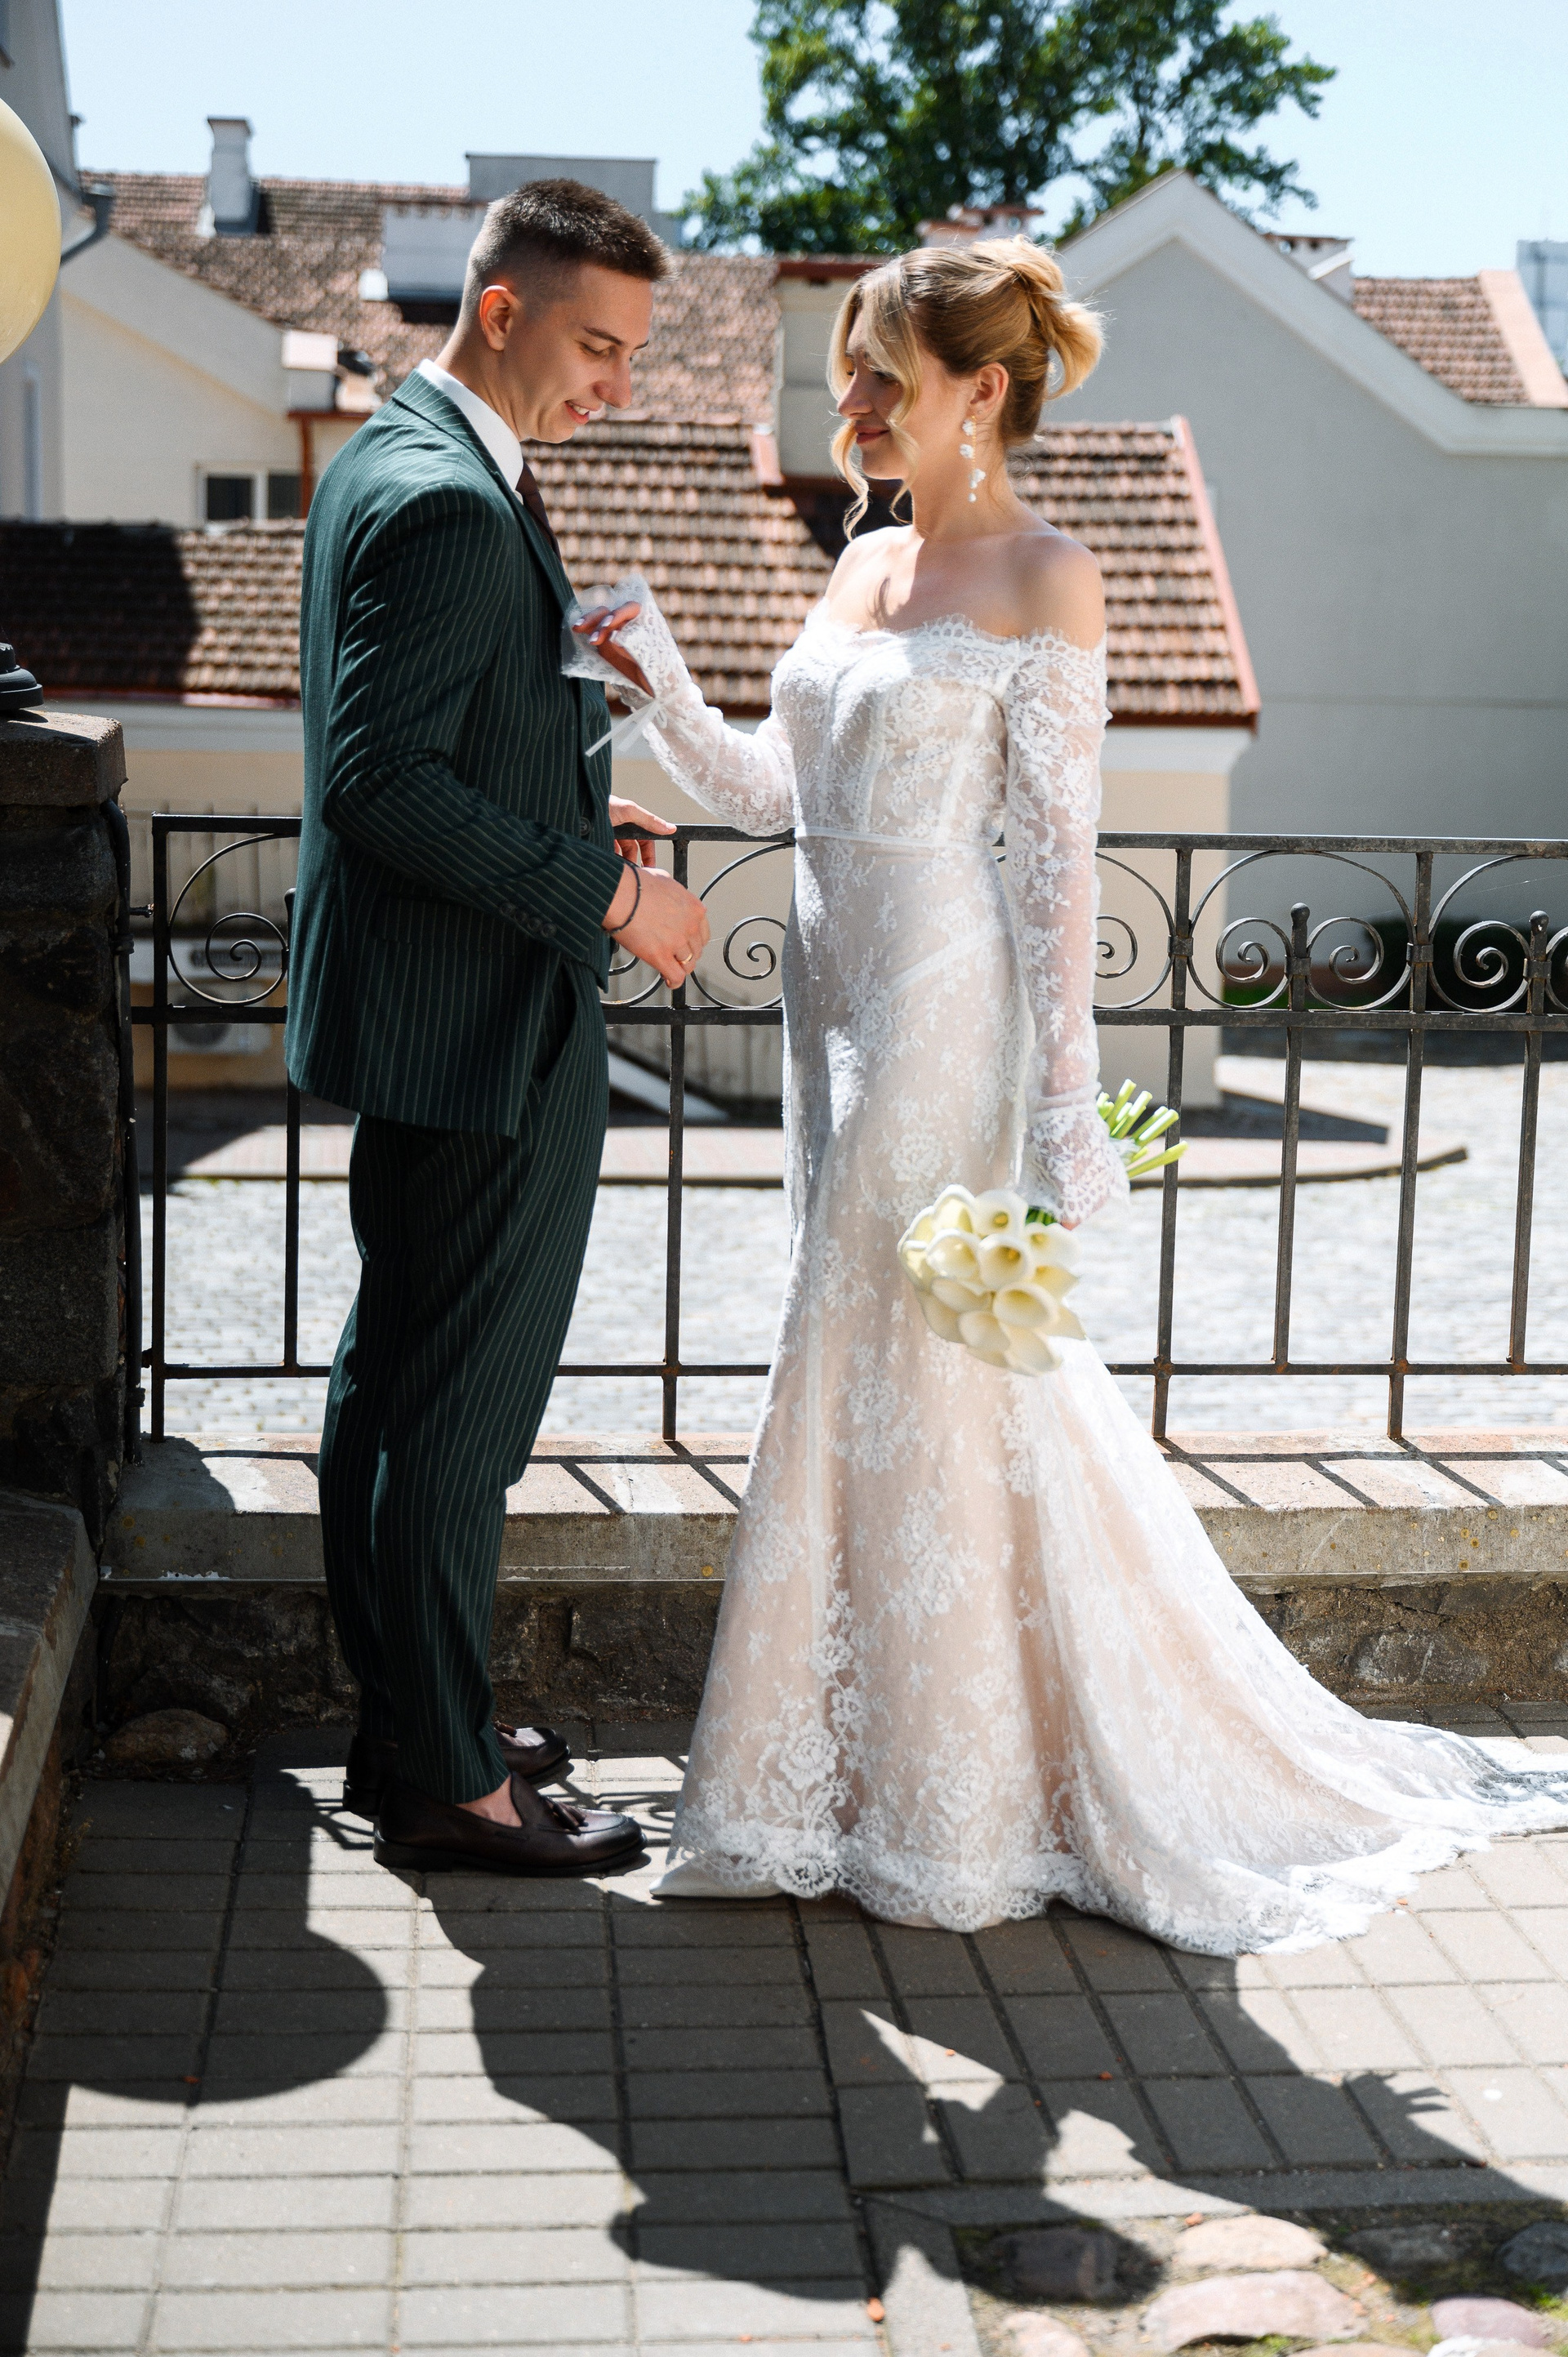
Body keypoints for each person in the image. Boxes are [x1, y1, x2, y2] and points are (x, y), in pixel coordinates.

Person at [578, 238, 1568, 1953]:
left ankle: (944, 1807)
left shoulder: (1053, 576)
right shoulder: (859, 562)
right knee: (877, 1366)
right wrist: (654, 674)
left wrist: (1062, 1112)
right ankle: (844, 1775)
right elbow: (769, 793)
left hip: (941, 1016)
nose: (852, 402)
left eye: (883, 374)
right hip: (831, 1012)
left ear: (982, 389)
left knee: (898, 1361)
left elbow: (1054, 866)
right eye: (850, 370)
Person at [285, 180, 710, 1877]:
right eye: (598, 346)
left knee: (391, 1389)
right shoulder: (453, 500)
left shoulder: (389, 457)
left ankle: (412, 1723)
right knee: (455, 1420)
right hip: (485, 1026)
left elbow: (434, 738)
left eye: (633, 354)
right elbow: (382, 782)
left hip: (428, 1008)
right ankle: (454, 1786)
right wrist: (610, 895)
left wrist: (573, 807)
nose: (616, 385)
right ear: (506, 307)